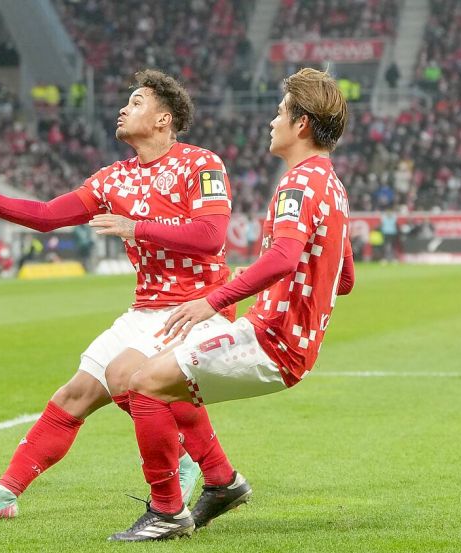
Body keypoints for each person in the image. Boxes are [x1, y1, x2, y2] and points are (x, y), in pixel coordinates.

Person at [0, 69, 235, 522]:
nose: (123, 108)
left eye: (136, 102)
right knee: (74, 394)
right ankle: (5, 494)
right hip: (146, 311)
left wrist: (136, 228)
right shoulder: (112, 179)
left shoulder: (201, 164)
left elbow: (212, 235)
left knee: (127, 377)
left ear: (164, 119)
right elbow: (45, 216)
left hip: (198, 308)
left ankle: (194, 471)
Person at [108, 68, 355, 542]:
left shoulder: (298, 185)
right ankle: (220, 482)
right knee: (135, 375)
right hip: (288, 338)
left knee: (142, 387)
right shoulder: (332, 185)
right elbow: (343, 279)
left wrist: (213, 300)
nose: (272, 121)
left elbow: (283, 258)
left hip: (270, 339)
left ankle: (167, 512)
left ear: (300, 124)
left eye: (280, 111)